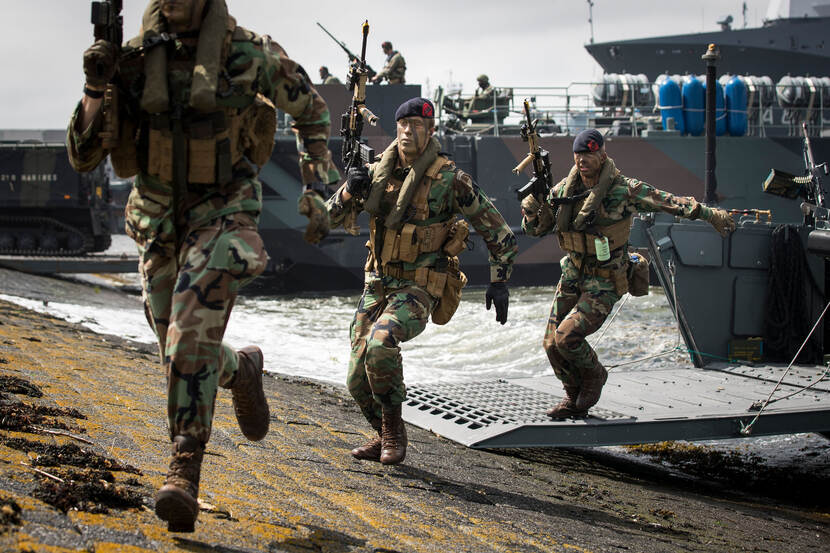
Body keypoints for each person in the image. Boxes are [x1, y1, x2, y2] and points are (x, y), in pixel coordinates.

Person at [67, 0, 333, 532]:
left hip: (225, 211)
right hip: (159, 219)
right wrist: (96, 88)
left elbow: (312, 110)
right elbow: (82, 154)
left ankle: (184, 469)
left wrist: (317, 187)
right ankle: (244, 370)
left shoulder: (248, 53)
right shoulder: (134, 59)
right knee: (177, 344)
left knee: (189, 334)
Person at [304, 97, 517, 465]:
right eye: (403, 125)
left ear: (430, 131)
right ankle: (386, 432)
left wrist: (499, 281)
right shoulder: (374, 173)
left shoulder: (450, 179)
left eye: (418, 126)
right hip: (378, 283)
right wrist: (348, 191)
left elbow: (497, 230)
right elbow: (323, 223)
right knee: (357, 378)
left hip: (421, 286)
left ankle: (392, 435)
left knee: (381, 344)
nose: (408, 131)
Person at [521, 129, 736, 419]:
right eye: (579, 155)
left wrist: (709, 214)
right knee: (550, 343)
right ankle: (572, 395)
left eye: (590, 154)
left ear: (603, 155)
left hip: (605, 279)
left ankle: (595, 376)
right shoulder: (563, 190)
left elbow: (668, 201)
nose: (583, 160)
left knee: (566, 337)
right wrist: (532, 212)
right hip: (573, 274)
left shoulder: (624, 190)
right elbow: (537, 230)